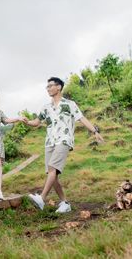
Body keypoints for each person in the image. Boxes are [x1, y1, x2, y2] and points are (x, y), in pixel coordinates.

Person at [24, 77, 104, 213]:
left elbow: (81, 118)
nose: (48, 89)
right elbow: (37, 122)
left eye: (50, 86)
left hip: (64, 139)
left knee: (52, 168)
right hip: (50, 141)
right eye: (47, 87)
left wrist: (94, 131)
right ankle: (65, 203)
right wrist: (26, 121)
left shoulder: (70, 104)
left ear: (59, 87)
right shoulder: (46, 107)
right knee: (52, 174)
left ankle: (42, 198)